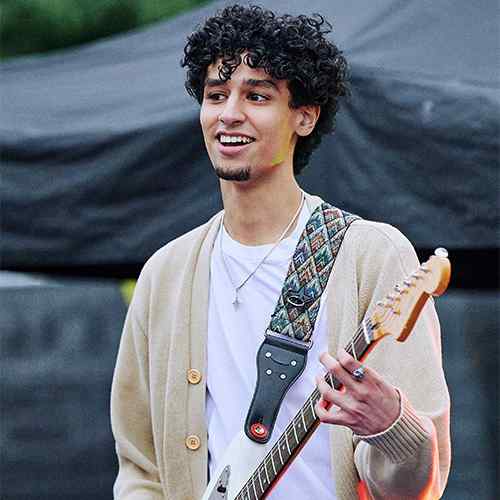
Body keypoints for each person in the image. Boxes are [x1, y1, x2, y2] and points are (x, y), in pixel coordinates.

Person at [110, 4, 451, 499]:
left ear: (305, 116)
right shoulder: (166, 273)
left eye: (257, 96)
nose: (229, 113)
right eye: (216, 95)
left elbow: (418, 488)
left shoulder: (370, 255)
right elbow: (140, 468)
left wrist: (392, 427)